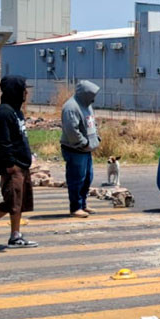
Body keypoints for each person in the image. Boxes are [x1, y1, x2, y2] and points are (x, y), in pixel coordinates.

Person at [0, 76, 37, 250]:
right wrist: (10, 164)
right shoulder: (3, 112)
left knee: (18, 203)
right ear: (15, 90)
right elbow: (2, 141)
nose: (26, 93)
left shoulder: (16, 111)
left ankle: (15, 235)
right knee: (11, 201)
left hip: (22, 164)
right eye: (23, 89)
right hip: (13, 167)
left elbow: (20, 138)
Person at [60, 80, 101, 218]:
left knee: (87, 178)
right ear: (84, 94)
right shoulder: (71, 107)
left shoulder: (87, 105)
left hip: (86, 149)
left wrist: (96, 138)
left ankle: (83, 204)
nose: (94, 98)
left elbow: (91, 123)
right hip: (76, 149)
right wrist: (84, 143)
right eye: (91, 94)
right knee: (76, 179)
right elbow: (72, 131)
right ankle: (75, 207)